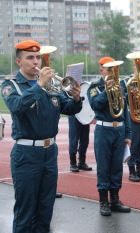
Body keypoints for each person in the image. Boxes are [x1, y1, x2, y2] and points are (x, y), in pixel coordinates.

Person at [0, 40, 82, 233]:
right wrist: (39, 85)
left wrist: (77, 98)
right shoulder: (11, 84)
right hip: (26, 154)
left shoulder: (52, 85)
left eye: (38, 57)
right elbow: (17, 107)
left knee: (46, 211)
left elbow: (68, 108)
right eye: (30, 57)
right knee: (25, 212)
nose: (36, 61)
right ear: (19, 61)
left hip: (49, 153)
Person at [87, 57, 131, 216]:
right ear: (101, 70)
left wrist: (128, 133)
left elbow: (125, 111)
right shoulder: (95, 87)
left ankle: (115, 199)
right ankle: (103, 201)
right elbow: (95, 104)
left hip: (119, 130)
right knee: (104, 166)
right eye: (108, 69)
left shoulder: (121, 86)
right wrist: (107, 90)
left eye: (114, 69)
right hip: (103, 130)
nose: (112, 72)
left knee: (117, 167)